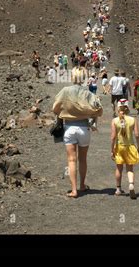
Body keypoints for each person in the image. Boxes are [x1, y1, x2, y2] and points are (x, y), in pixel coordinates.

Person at [52, 69, 103, 198]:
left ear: (72, 77)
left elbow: (55, 108)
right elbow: (98, 110)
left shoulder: (65, 91)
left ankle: (74, 190)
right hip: (84, 128)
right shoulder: (88, 93)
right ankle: (82, 185)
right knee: (83, 159)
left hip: (69, 128)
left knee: (71, 160)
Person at [111, 99, 139, 199]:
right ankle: (131, 184)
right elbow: (137, 135)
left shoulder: (115, 120)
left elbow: (113, 137)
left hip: (119, 147)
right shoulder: (133, 120)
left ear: (118, 108)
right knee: (130, 169)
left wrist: (112, 149)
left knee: (119, 168)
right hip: (130, 146)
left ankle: (118, 189)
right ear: (128, 108)